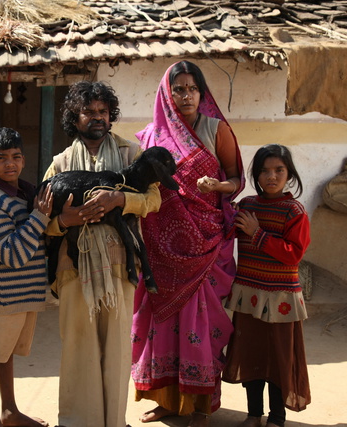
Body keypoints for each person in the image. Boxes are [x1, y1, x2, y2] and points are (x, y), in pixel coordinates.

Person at [130, 60, 244, 427]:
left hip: (206, 246)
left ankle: (198, 406)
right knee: (163, 326)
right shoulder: (150, 138)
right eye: (178, 88)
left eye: (192, 88)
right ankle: (167, 400)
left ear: (202, 92)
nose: (186, 95)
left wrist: (217, 187)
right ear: (167, 94)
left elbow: (236, 179)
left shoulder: (216, 129)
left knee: (200, 325)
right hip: (162, 252)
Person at [42, 81, 162, 427]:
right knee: (78, 345)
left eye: (102, 112)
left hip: (120, 264)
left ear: (111, 116)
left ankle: (113, 421)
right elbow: (44, 220)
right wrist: (66, 220)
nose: (96, 118)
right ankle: (78, 421)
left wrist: (121, 199)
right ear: (74, 118)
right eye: (88, 112)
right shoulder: (61, 163)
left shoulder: (130, 154)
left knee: (116, 350)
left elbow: (153, 200)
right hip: (73, 266)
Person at [0, 127, 52, 427]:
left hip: (23, 294)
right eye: (1, 158)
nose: (10, 164)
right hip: (2, 295)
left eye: (15, 157)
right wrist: (40, 218)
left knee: (6, 355)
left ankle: (10, 411)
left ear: (24, 160)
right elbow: (11, 255)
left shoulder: (26, 194)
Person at [223, 144, 311, 427]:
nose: (272, 176)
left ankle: (276, 416)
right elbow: (223, 231)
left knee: (277, 359)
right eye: (264, 171)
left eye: (279, 170)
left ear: (289, 174)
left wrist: (257, 233)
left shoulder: (294, 211)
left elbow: (293, 254)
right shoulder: (247, 205)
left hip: (280, 298)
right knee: (251, 354)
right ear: (256, 175)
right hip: (248, 294)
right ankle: (253, 414)